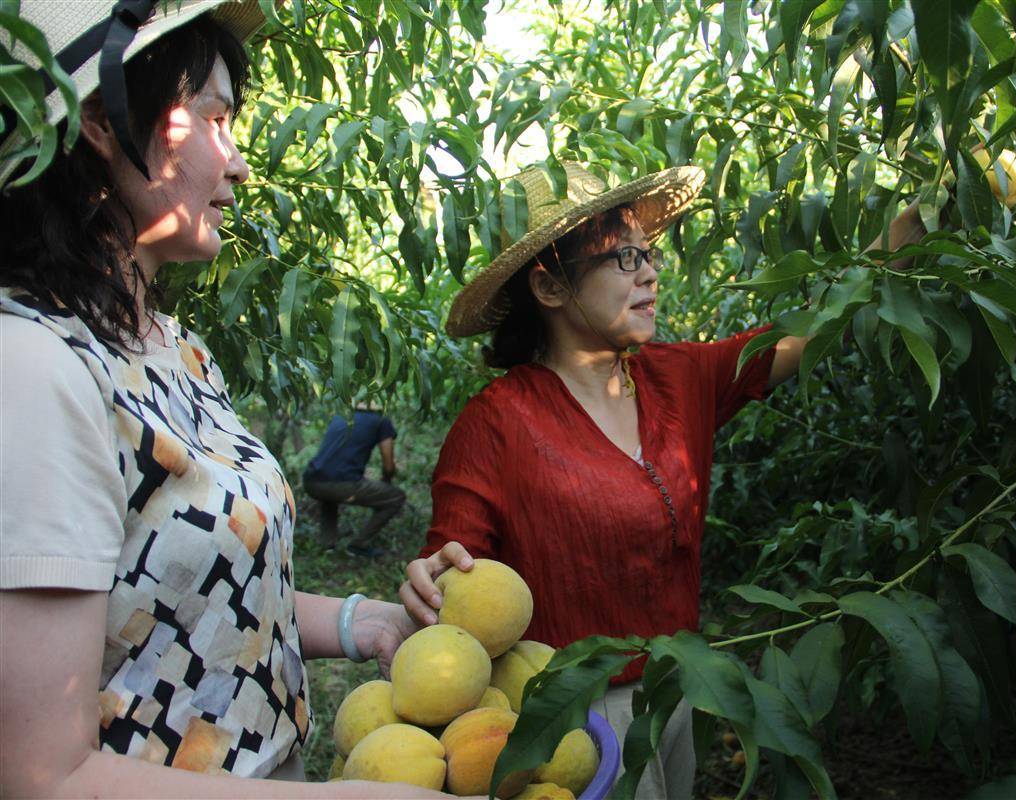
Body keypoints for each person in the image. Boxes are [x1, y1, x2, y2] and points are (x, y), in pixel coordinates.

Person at [0, 3, 463, 797]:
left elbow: (202, 597)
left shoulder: (175, 350)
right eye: (215, 119)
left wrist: (369, 622)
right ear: (103, 122)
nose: (240, 165)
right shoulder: (33, 369)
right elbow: (40, 775)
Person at [399, 161, 930, 797]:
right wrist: (434, 575)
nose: (650, 272)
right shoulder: (496, 425)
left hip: (679, 691)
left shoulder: (677, 380)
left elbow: (811, 325)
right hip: (575, 719)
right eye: (623, 258)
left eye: (648, 255)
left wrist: (927, 215)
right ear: (550, 288)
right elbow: (455, 565)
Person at [303, 403, 407, 556]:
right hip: (341, 485)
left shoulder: (341, 416)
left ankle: (327, 544)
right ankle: (359, 545)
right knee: (396, 496)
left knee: (330, 495)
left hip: (312, 481)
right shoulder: (381, 420)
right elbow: (389, 466)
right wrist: (386, 480)